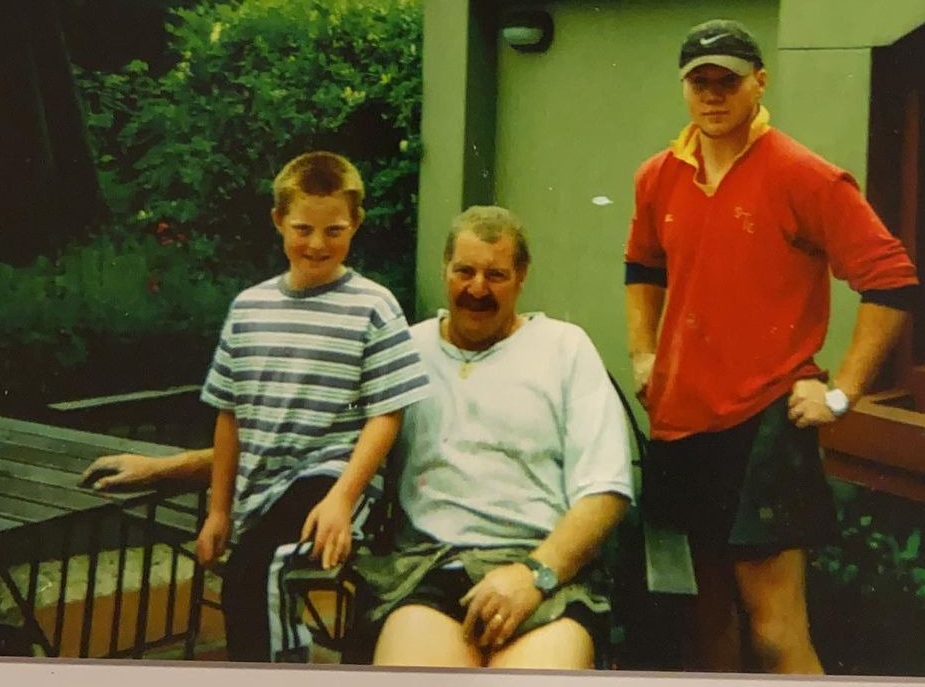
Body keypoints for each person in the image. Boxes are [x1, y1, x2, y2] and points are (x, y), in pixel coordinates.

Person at [84, 205, 635, 670]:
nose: (477, 289)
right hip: (425, 570)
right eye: (464, 271)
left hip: (543, 571)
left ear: (522, 276)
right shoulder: (401, 351)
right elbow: (305, 444)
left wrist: (535, 575)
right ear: (445, 269)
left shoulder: (565, 349)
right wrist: (164, 468)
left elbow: (605, 490)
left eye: (496, 275)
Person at [624, 19, 918, 674]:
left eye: (726, 80)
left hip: (762, 428)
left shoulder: (804, 175)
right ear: (683, 88)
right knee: (705, 621)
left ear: (758, 81)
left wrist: (840, 392)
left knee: (775, 627)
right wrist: (643, 353)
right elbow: (642, 267)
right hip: (680, 424)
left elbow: (891, 280)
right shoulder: (658, 176)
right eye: (698, 82)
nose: (712, 95)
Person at [191, 150, 429, 662]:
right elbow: (228, 415)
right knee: (252, 571)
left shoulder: (374, 305)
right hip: (262, 488)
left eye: (334, 230)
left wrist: (344, 497)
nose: (317, 244)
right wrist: (218, 510)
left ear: (356, 224)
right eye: (303, 229)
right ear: (278, 221)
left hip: (335, 479)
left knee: (258, 570)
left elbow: (387, 414)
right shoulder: (248, 308)